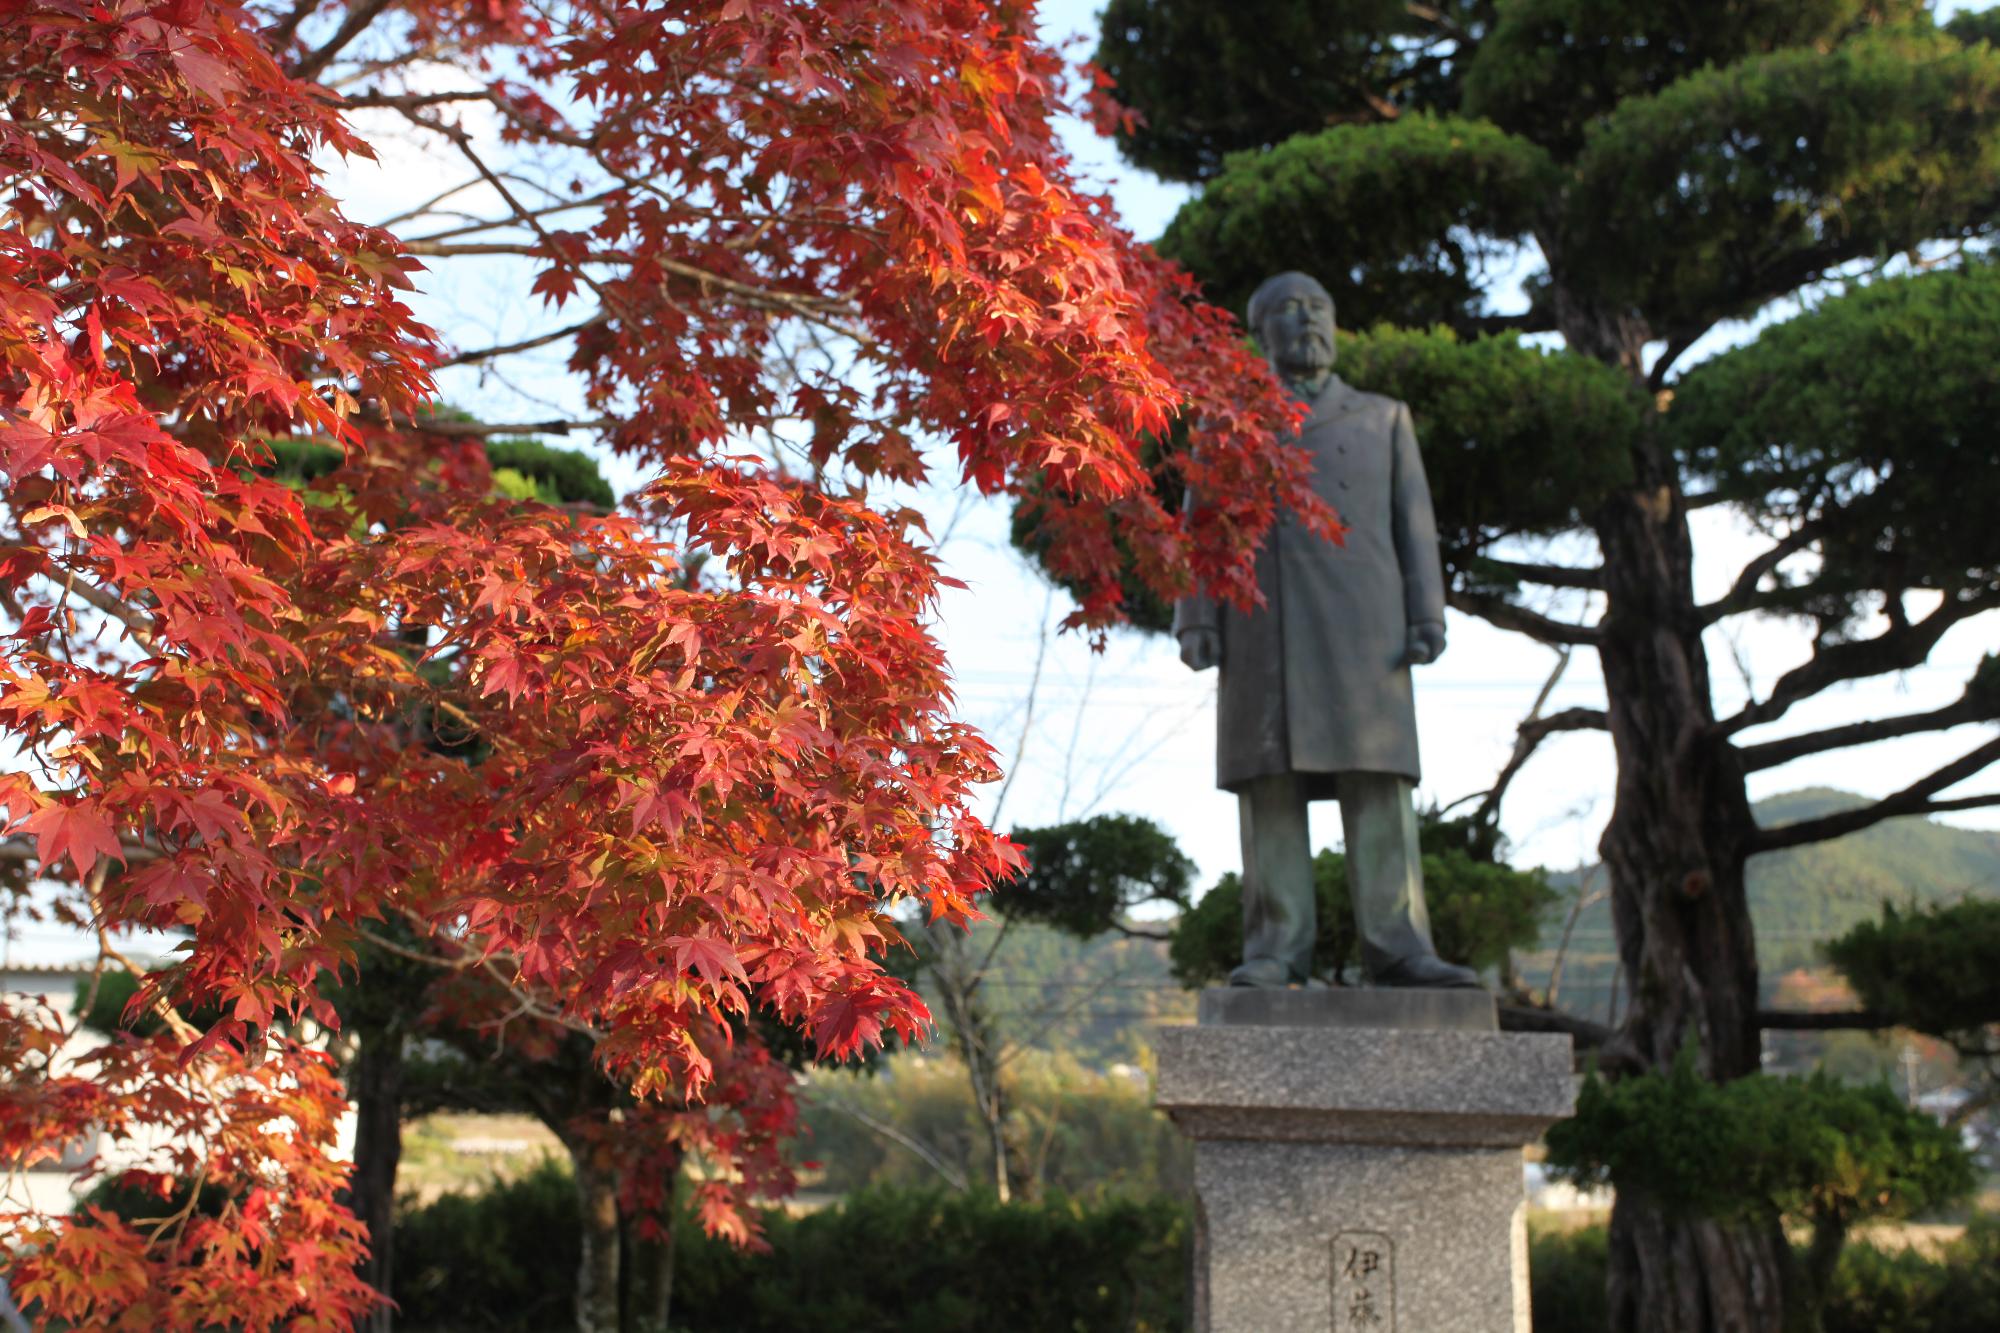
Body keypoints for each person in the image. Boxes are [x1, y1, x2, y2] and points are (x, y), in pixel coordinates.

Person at [1175, 270, 1479, 989]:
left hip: (1367, 628)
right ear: (1261, 334)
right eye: (1287, 309)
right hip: (1262, 622)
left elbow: (1416, 525)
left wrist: (1426, 611)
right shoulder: (1228, 423)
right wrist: (1196, 616)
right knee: (1269, 784)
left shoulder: (1383, 418)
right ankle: (1275, 947)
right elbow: (1197, 532)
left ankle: (1400, 944)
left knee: (1377, 784)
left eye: (1319, 308)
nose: (1307, 321)